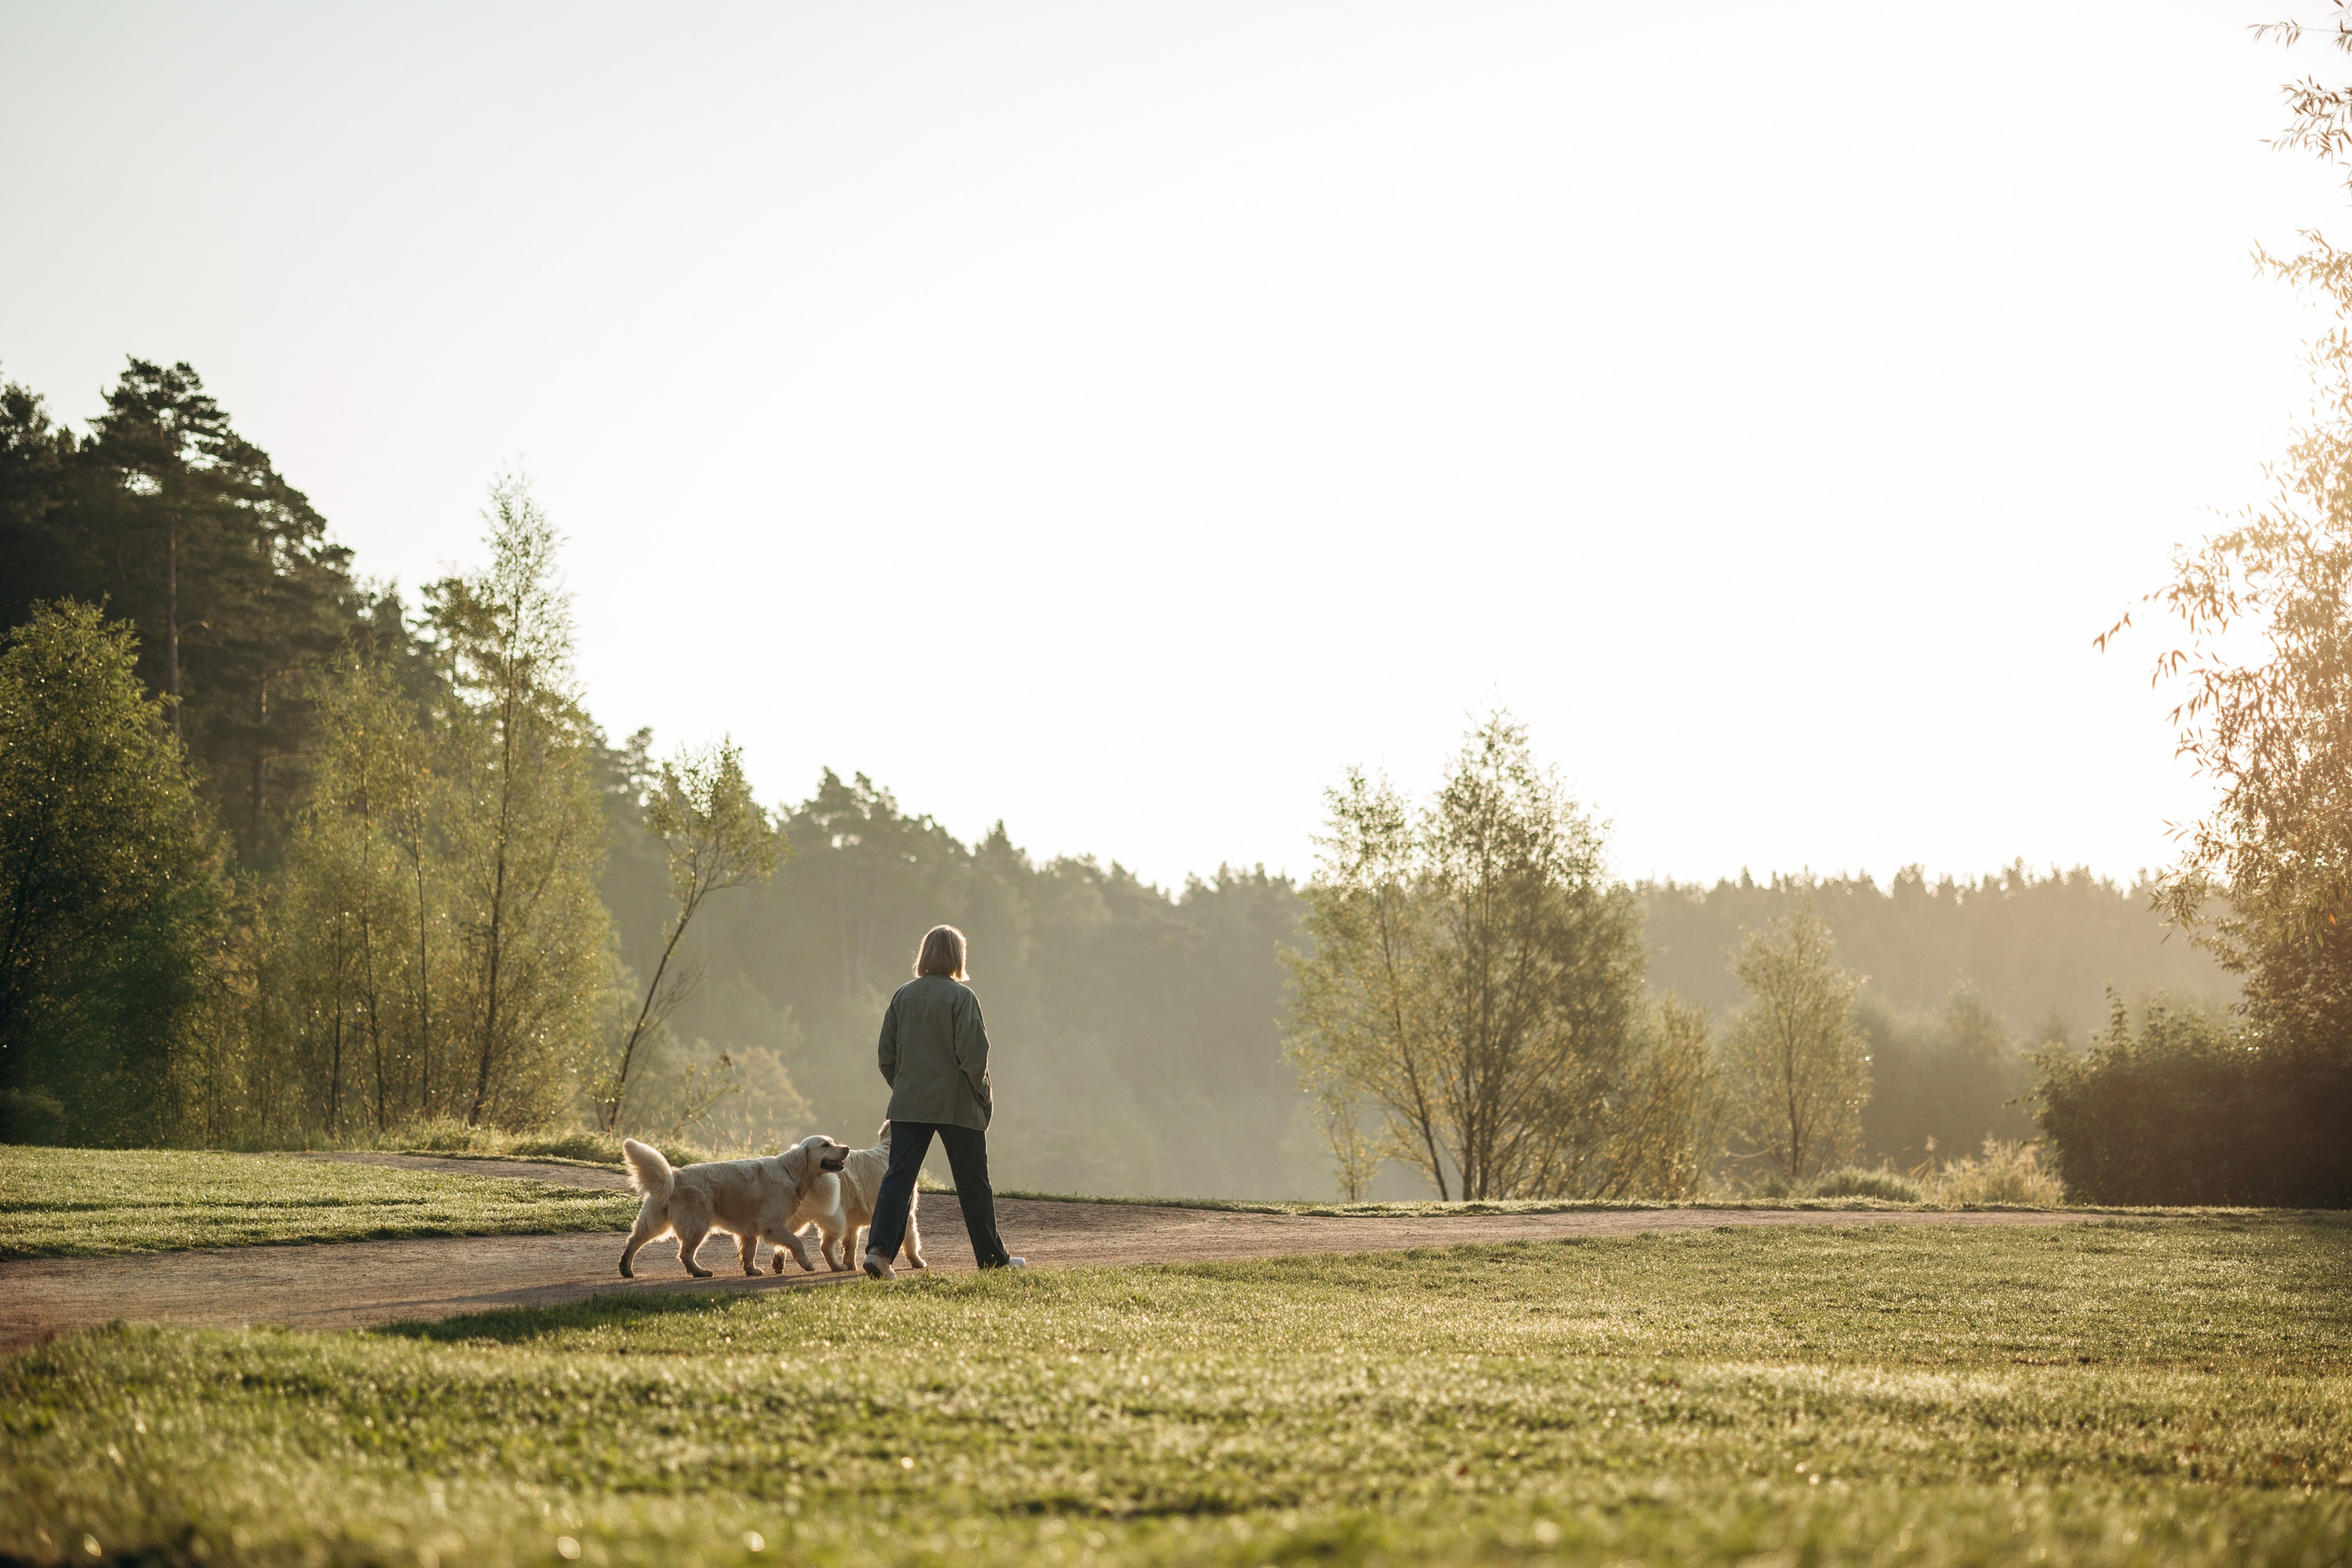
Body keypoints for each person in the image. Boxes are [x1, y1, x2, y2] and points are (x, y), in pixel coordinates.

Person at [862, 923, 1024, 1279]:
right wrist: (982, 1094)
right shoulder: (963, 998)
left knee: (898, 1178)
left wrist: (904, 1086)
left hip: (908, 1105)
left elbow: (886, 1056)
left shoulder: (902, 995)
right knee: (973, 1183)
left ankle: (879, 1253)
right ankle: (992, 1259)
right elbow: (973, 1056)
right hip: (956, 1104)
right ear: (957, 956)